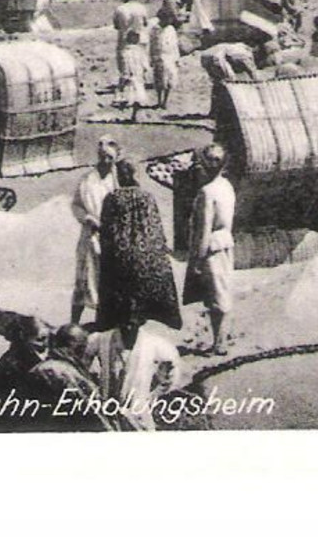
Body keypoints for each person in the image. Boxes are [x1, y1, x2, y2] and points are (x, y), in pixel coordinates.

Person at [97, 159, 182, 333]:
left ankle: (119, 320)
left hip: (121, 253)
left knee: (117, 283)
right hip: (146, 253)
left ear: (119, 176)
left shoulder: (112, 198)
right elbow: (156, 227)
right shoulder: (147, 196)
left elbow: (106, 231)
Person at [183, 144, 236, 355]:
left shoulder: (206, 192)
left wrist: (197, 259)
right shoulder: (226, 186)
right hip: (225, 241)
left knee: (217, 297)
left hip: (212, 245)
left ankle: (220, 343)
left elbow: (203, 229)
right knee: (222, 292)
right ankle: (221, 338)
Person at [85, 316, 182, 431]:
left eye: (133, 323)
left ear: (141, 321)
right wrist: (94, 391)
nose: (128, 327)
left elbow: (171, 373)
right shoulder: (101, 340)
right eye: (124, 322)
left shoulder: (155, 344)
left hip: (138, 416)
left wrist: (151, 396)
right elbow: (82, 363)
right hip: (107, 413)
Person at [70, 137, 120, 325]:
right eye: (102, 156)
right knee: (83, 279)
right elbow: (76, 204)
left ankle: (103, 321)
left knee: (106, 281)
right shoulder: (87, 179)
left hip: (111, 235)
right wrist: (88, 219)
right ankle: (74, 322)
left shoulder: (117, 181)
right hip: (90, 233)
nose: (105, 161)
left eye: (109, 158)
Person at [111, 0, 150, 87]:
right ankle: (141, 79)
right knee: (141, 58)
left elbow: (116, 26)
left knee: (125, 59)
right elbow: (146, 23)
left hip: (125, 38)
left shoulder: (120, 9)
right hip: (141, 36)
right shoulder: (141, 7)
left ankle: (127, 80)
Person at [150, 8, 181, 111]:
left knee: (169, 80)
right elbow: (153, 44)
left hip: (170, 56)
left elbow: (175, 44)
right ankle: (159, 100)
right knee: (159, 80)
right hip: (159, 56)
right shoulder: (155, 29)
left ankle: (165, 101)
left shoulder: (171, 29)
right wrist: (152, 58)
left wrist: (177, 58)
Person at [118, 29, 150, 120]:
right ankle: (135, 114)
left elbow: (123, 65)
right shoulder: (140, 51)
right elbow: (145, 64)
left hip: (129, 75)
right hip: (138, 75)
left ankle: (132, 114)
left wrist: (124, 75)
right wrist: (145, 71)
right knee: (138, 94)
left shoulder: (124, 52)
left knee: (130, 94)